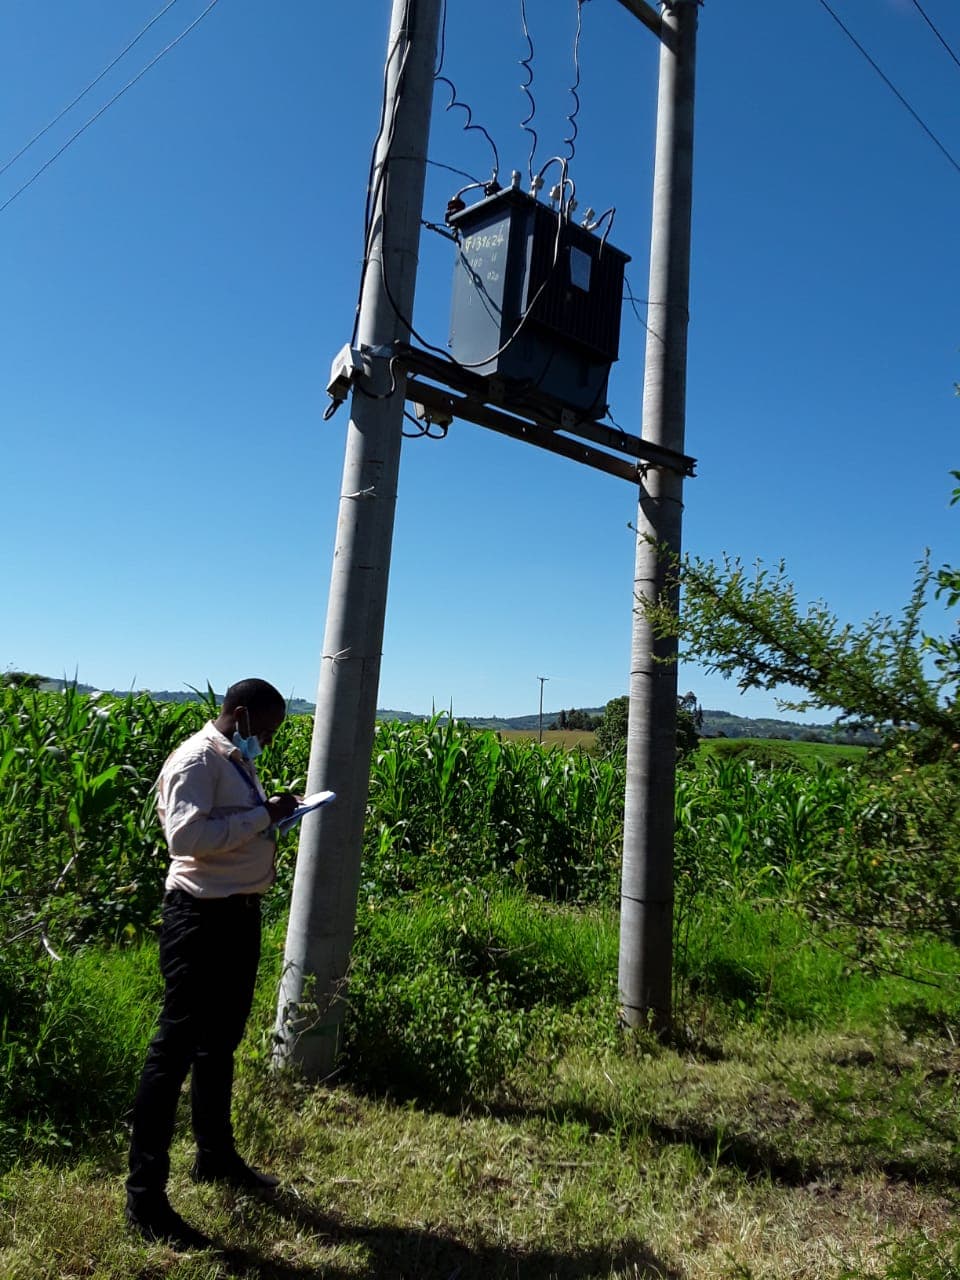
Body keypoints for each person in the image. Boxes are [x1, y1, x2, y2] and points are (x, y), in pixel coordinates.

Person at [125, 678, 300, 1249]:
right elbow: (185, 836)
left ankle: (215, 1157)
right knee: (174, 1048)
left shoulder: (232, 759)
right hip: (199, 920)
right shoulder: (196, 759)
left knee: (219, 1041)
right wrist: (262, 818)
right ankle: (145, 1198)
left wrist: (273, 816)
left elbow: (228, 827)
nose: (266, 743)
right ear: (241, 715)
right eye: (266, 731)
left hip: (236, 915)